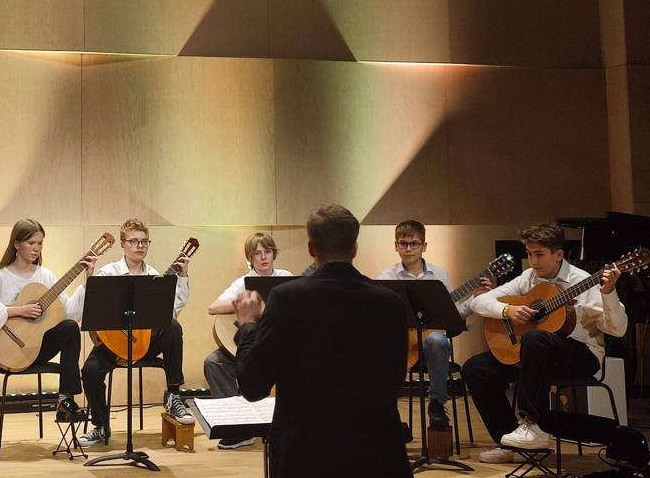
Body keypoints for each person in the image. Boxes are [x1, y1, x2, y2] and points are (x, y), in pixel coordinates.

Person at [234, 204, 411, 478]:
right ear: (354, 248)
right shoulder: (391, 303)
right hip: (376, 454)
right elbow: (395, 381)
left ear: (311, 249)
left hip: (306, 456)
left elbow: (253, 386)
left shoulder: (285, 298)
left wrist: (247, 325)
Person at [463, 222, 627, 463]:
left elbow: (618, 330)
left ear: (558, 254)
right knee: (476, 368)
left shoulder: (582, 281)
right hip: (536, 354)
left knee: (535, 338)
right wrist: (508, 310)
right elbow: (479, 302)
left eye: (539, 254)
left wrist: (608, 292)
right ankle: (510, 444)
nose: (533, 261)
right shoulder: (528, 277)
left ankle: (533, 424)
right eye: (529, 254)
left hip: (580, 355)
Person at [0, 219, 91, 437]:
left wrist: (88, 279)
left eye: (40, 243)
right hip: (3, 352)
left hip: (36, 350)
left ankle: (65, 400)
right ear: (16, 244)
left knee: (70, 327)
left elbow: (70, 312)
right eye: (31, 243)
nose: (36, 248)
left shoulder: (45, 276)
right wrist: (16, 311)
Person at [77, 218, 193, 448]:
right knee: (90, 371)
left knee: (172, 326)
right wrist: (89, 278)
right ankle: (101, 426)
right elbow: (94, 309)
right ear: (123, 245)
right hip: (114, 344)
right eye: (134, 241)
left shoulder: (154, 275)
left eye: (144, 241)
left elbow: (170, 312)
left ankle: (174, 397)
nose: (140, 246)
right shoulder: (108, 273)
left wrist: (182, 277)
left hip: (145, 343)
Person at [377, 219, 490, 429]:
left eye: (414, 243)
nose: (408, 248)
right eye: (403, 243)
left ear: (424, 246)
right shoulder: (387, 277)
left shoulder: (439, 275)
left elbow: (453, 314)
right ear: (396, 246)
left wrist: (475, 298)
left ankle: (437, 404)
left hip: (432, 343)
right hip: (403, 342)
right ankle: (387, 415)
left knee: (437, 339)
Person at [204, 232, 292, 449]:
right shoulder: (243, 282)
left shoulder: (286, 278)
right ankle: (237, 428)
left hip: (279, 347)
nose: (263, 257)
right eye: (257, 253)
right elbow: (213, 307)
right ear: (250, 258)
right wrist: (246, 303)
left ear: (274, 254)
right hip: (251, 344)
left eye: (267, 252)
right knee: (213, 362)